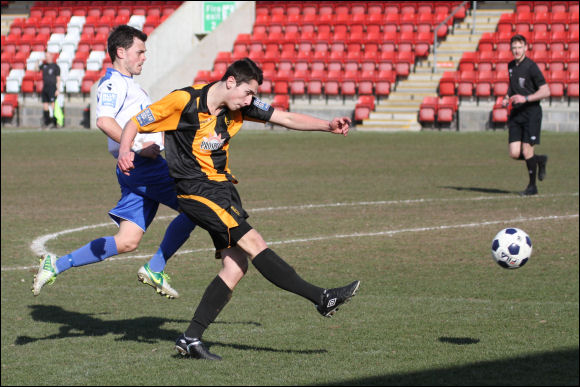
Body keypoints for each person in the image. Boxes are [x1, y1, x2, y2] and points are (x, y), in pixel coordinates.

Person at [117, 58, 360, 360]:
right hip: (196, 192)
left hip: (223, 191)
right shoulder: (184, 101)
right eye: (247, 93)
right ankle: (322, 297)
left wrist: (327, 126)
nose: (250, 101)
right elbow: (135, 122)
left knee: (236, 267)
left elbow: (285, 119)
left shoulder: (242, 106)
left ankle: (190, 339)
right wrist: (126, 149)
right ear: (230, 81)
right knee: (255, 243)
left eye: (252, 96)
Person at [32, 25, 197, 299]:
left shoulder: (129, 86)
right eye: (140, 52)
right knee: (197, 205)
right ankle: (157, 266)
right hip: (144, 168)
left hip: (136, 169)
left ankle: (56, 264)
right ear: (121, 52)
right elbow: (104, 121)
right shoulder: (113, 84)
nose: (144, 57)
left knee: (127, 241)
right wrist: (136, 147)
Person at [501, 34, 551, 196]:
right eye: (514, 47)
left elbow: (546, 91)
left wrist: (526, 98)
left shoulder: (531, 67)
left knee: (527, 150)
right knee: (514, 153)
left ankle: (532, 187)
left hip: (531, 113)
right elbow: (512, 85)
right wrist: (506, 97)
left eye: (519, 47)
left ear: (525, 48)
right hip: (516, 113)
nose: (516, 50)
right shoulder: (510, 66)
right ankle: (539, 160)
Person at [39, 51, 61, 129]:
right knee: (45, 105)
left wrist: (58, 89)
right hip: (45, 87)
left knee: (53, 105)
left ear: (51, 56)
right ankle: (47, 122)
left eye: (48, 56)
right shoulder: (44, 66)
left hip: (52, 88)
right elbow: (35, 69)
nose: (47, 58)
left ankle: (55, 122)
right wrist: (39, 61)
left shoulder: (55, 67)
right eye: (46, 56)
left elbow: (58, 79)